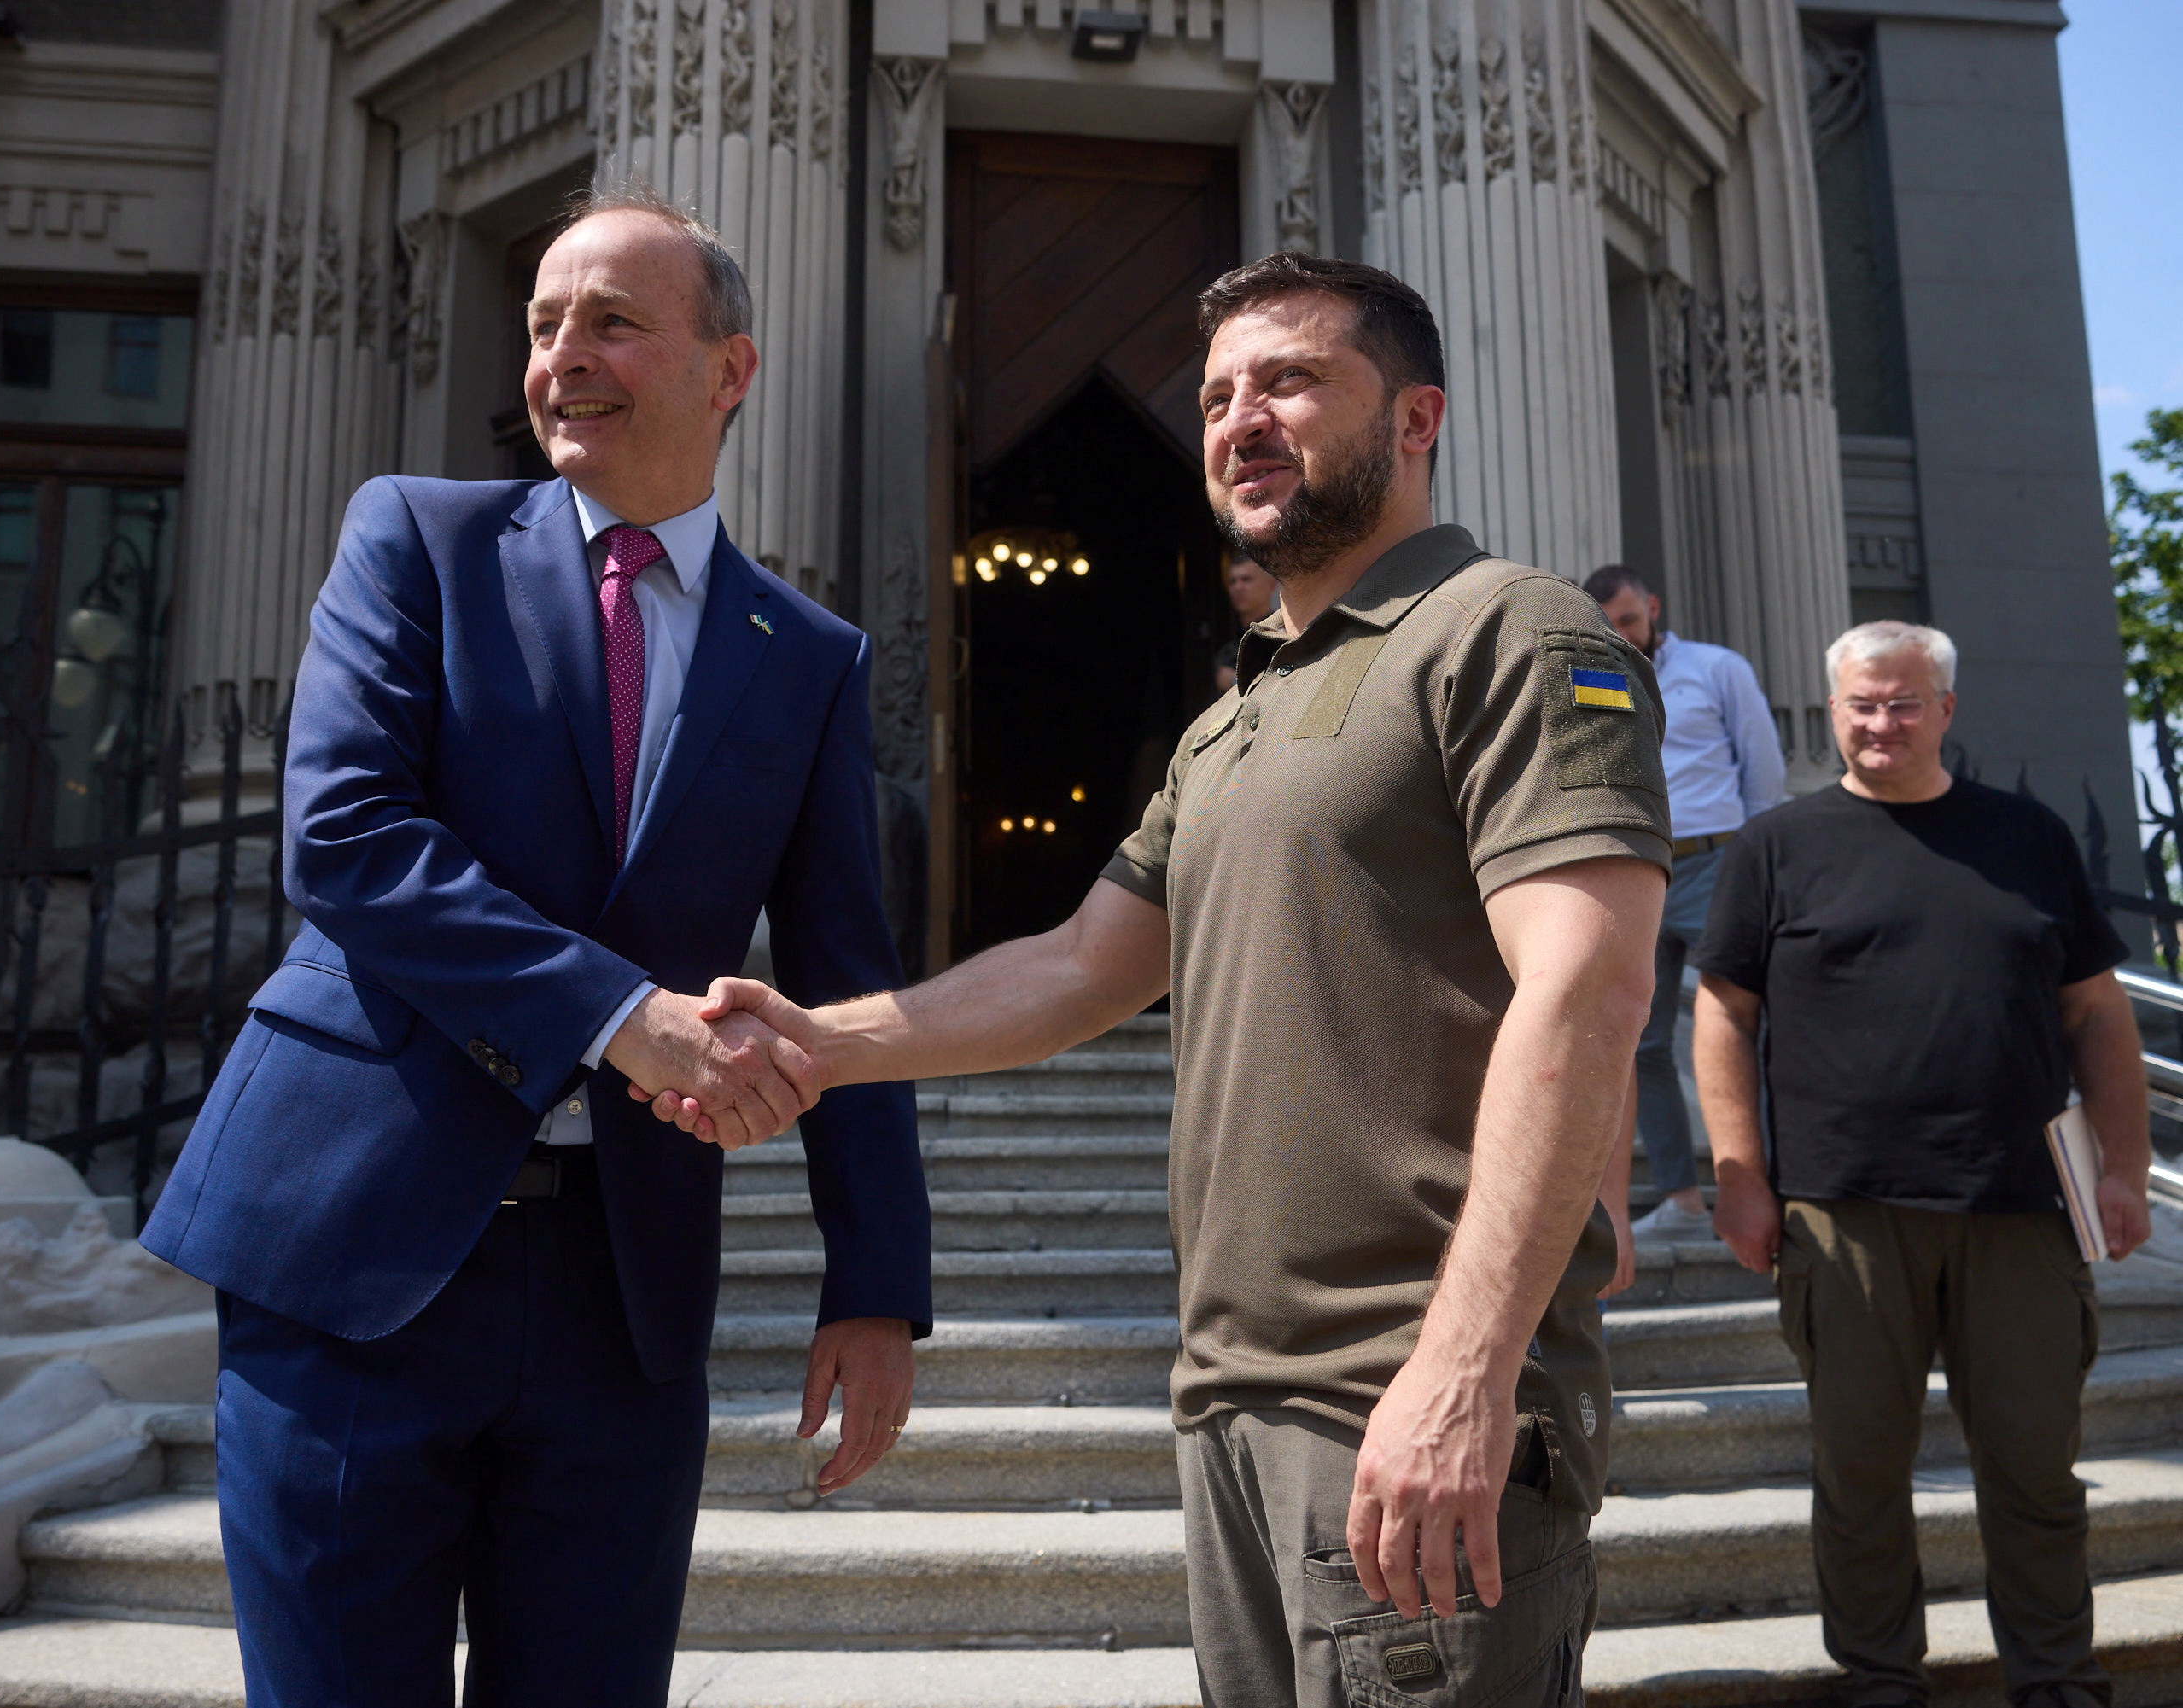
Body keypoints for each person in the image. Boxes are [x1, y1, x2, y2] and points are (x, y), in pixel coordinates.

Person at [643, 252, 1671, 1707]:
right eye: (1219, 397)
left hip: (1412, 1401)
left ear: (1419, 415)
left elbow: (1586, 995)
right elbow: (1076, 969)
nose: (1244, 420)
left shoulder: (1513, 630)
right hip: (1229, 1412)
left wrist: (1463, 1369)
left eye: (1294, 382)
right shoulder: (1232, 714)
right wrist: (815, 1039)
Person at [140, 185, 931, 1708]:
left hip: (619, 1295)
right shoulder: (415, 540)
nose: (563, 355)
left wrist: (875, 1283)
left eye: (614, 322)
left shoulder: (811, 659)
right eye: (543, 323)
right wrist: (625, 1016)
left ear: (731, 370)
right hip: (351, 1244)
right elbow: (347, 841)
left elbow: (846, 979)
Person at [1694, 619, 2152, 1708]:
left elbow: (2095, 1011)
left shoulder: (2029, 837)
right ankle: (1880, 1680)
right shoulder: (1776, 847)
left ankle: (2055, 1680)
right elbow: (1722, 1013)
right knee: (1859, 1478)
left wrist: (2123, 1166)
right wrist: (1741, 1174)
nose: (1880, 723)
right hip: (1842, 1210)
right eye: (1860, 704)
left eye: (1903, 702)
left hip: (2026, 1207)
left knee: (2038, 1472)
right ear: (1834, 709)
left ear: (1945, 709)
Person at [1585, 564, 1783, 1245]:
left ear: (1653, 608)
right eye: (1609, 624)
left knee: (1748, 1018)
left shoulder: (1715, 668)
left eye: (1630, 621)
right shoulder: (1590, 675)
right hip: (1633, 871)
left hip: (1713, 863)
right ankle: (1681, 1198)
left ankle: (1765, 1180)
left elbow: (1763, 766)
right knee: (1643, 1043)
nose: (1622, 635)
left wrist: (1757, 861)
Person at [1215, 554, 1281, 695]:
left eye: (1246, 579)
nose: (1238, 587)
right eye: (1232, 581)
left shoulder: (1281, 634)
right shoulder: (1228, 646)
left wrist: (1234, 682)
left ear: (1271, 585)